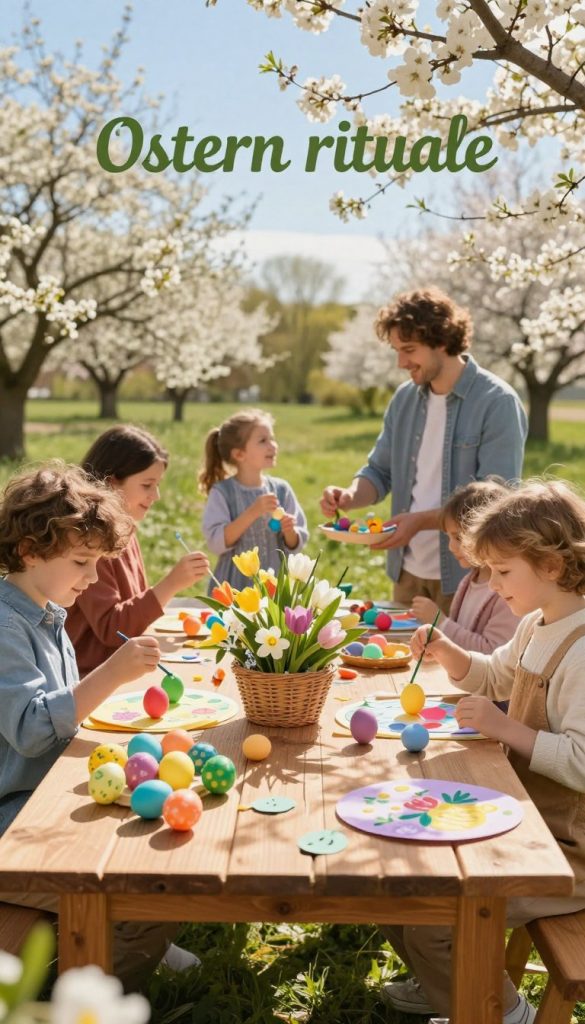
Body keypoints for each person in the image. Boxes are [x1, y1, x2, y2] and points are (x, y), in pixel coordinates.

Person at [382, 479, 585, 1024]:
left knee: (436, 918)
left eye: (503, 571)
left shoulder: (583, 649)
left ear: (551, 563)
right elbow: (492, 674)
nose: (492, 584)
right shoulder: (534, 624)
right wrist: (448, 651)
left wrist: (505, 727)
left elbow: (581, 763)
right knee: (397, 890)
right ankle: (443, 984)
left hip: (569, 851)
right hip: (526, 822)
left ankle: (501, 1013)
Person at [0, 462, 193, 989]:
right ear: (28, 551)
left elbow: (65, 710)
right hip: (12, 824)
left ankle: (131, 936)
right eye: (82, 563)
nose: (91, 579)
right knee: (143, 891)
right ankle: (85, 995)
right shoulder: (5, 627)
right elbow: (36, 729)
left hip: (44, 799)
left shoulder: (46, 613)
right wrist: (113, 672)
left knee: (164, 859)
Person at [319, 288, 527, 614]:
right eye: (397, 350)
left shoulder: (497, 403)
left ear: (442, 341)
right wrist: (348, 495)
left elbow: (498, 501)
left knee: (458, 663)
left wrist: (419, 522)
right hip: (407, 571)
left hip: (469, 575)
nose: (401, 362)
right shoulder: (404, 399)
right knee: (404, 661)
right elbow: (379, 471)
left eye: (410, 350)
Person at [66, 425, 209, 675]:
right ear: (111, 483)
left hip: (120, 668)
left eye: (157, 484)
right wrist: (171, 584)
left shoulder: (125, 527)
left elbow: (134, 609)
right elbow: (114, 629)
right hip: (91, 677)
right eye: (147, 485)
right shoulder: (90, 542)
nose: (156, 495)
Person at [199, 408, 308, 592]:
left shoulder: (281, 490)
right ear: (239, 454)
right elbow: (217, 542)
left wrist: (289, 531)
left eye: (272, 438)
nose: (272, 445)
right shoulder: (222, 492)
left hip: (275, 587)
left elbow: (295, 543)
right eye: (263, 441)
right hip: (235, 586)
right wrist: (253, 512)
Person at [409, 479, 520, 653]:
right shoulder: (469, 581)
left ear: (490, 535)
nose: (451, 547)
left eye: (459, 538)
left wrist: (440, 622)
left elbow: (492, 651)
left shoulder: (506, 593)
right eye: (449, 537)